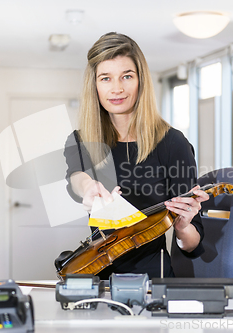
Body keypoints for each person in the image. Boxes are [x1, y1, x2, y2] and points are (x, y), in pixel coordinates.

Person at [64, 32, 209, 280]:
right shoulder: (81, 139)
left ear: (141, 80)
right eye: (106, 78)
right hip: (96, 277)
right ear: (95, 85)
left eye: (127, 76)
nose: (117, 88)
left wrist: (184, 226)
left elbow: (193, 246)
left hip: (154, 280)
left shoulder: (173, 143)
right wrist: (88, 186)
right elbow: (76, 176)